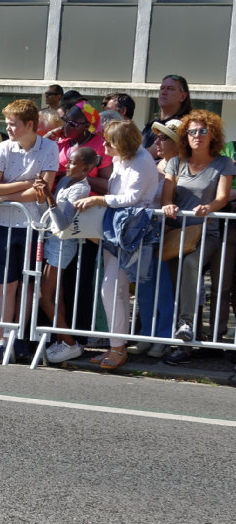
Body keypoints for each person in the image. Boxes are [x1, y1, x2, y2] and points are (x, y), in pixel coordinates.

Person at [70, 119, 161, 370]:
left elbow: (132, 197)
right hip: (119, 229)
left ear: (122, 143)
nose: (104, 145)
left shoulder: (142, 160)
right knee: (114, 290)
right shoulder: (124, 158)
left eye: (109, 141)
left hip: (132, 231)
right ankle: (116, 345)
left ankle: (118, 347)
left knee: (111, 289)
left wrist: (99, 199)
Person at [0, 99, 59, 363]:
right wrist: (25, 184)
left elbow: (41, 194)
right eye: (8, 124)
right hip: (5, 224)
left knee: (27, 284)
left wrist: (6, 194)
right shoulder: (4, 146)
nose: (9, 129)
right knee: (6, 285)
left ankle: (21, 337)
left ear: (30, 125)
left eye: (14, 124)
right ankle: (3, 341)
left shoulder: (49, 147)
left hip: (33, 225)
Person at [160, 110, 236, 365]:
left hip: (208, 231)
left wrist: (210, 207)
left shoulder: (223, 163)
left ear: (212, 134)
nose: (197, 136)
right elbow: (167, 193)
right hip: (177, 234)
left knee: (192, 267)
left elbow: (223, 197)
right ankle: (185, 339)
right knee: (179, 279)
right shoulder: (176, 162)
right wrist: (168, 205)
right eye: (192, 131)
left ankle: (186, 326)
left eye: (203, 131)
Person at [33, 146, 99, 363]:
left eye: (72, 163)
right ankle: (64, 339)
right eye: (68, 161)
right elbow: (48, 214)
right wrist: (43, 196)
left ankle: (70, 343)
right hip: (53, 241)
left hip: (63, 244)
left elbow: (63, 224)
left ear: (86, 168)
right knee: (56, 296)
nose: (67, 165)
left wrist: (49, 195)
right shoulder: (64, 182)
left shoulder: (81, 188)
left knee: (44, 297)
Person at [141, 75, 191, 149]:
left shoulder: (181, 125)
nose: (164, 92)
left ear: (182, 96)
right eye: (162, 88)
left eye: (170, 89)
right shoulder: (151, 124)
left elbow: (149, 154)